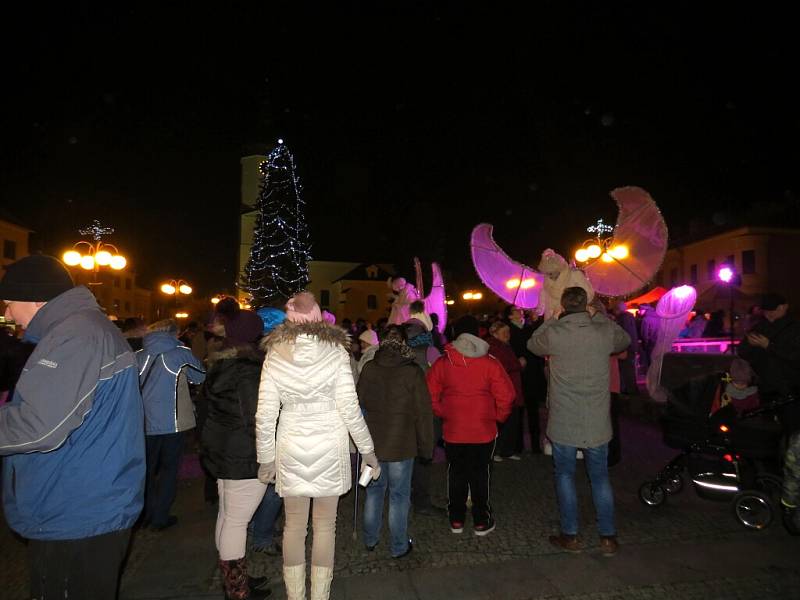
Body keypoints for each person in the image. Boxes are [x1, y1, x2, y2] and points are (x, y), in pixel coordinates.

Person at [0, 255, 145, 599]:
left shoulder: (75, 335)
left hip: (75, 509)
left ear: (35, 298)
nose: (6, 314)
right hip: (83, 501)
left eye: (8, 304)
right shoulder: (80, 329)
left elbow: (39, 427)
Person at [256, 292, 378, 600]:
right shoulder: (336, 352)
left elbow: (266, 413)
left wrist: (266, 459)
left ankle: (296, 597)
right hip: (329, 444)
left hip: (291, 443)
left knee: (294, 527)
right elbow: (350, 408)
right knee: (325, 527)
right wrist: (367, 450)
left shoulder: (275, 353)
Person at [528, 286, 630, 556]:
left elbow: (532, 344)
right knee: (600, 478)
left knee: (564, 475)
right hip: (596, 421)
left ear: (563, 305)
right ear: (586, 305)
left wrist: (551, 317)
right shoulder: (603, 331)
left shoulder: (555, 332)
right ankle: (608, 537)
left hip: (564, 421)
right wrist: (598, 317)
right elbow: (624, 341)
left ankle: (570, 534)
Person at [200, 309, 272, 599]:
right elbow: (256, 417)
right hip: (242, 453)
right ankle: (237, 589)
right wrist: (268, 452)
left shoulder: (223, 362)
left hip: (223, 448)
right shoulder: (247, 369)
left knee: (229, 515)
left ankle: (233, 578)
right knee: (237, 520)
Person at [426, 316, 515, 536]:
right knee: (480, 474)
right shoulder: (489, 362)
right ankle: (481, 520)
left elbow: (429, 394)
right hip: (483, 430)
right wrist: (498, 417)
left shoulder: (443, 362)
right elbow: (507, 395)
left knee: (456, 473)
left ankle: (456, 518)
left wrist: (443, 413)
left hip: (454, 429)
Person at [357, 325, 433, 557]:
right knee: (399, 496)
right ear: (404, 343)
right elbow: (423, 413)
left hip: (373, 444)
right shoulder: (412, 372)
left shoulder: (369, 368)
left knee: (374, 492)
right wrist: (426, 446)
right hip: (402, 443)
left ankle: (371, 539)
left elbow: (358, 405)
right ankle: (399, 546)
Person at [248, 307, 288, 558]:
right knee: (274, 485)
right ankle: (261, 535)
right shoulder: (272, 357)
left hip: (257, 429)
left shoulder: (253, 354)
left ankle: (259, 527)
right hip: (269, 428)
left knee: (263, 483)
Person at [737, 292, 800, 432]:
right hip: (766, 388)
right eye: (766, 311)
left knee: (792, 429)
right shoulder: (760, 326)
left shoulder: (795, 328)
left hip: (790, 389)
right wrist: (750, 345)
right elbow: (742, 352)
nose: (769, 314)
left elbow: (795, 356)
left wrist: (769, 346)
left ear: (784, 307)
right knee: (768, 430)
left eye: (773, 310)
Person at [487, 320, 524, 461]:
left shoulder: (505, 346)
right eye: (504, 332)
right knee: (502, 422)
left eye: (508, 332)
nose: (507, 335)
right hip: (504, 389)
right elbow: (502, 367)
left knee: (511, 421)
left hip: (511, 388)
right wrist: (518, 364)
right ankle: (497, 450)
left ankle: (507, 450)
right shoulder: (496, 347)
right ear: (495, 333)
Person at [612, 302, 640, 395]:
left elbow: (623, 335)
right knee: (630, 369)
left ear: (617, 309)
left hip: (626, 348)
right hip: (632, 347)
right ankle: (632, 389)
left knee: (626, 370)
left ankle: (629, 390)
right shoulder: (630, 317)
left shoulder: (623, 319)